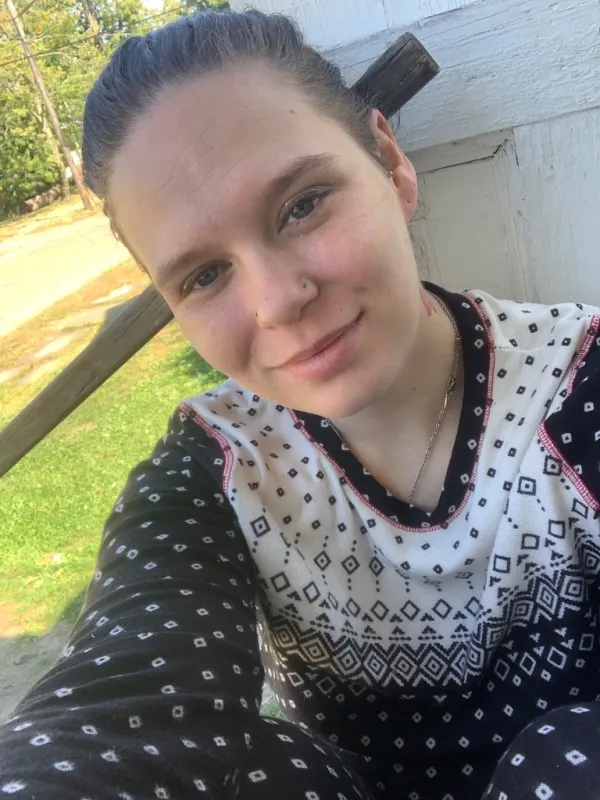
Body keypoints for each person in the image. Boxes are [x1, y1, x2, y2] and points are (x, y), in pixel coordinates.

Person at [1, 8, 600, 799]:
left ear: (390, 163)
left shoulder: (576, 387)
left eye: (303, 204)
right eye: (204, 275)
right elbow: (118, 701)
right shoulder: (217, 471)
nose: (278, 300)